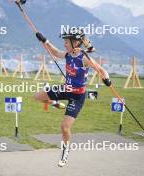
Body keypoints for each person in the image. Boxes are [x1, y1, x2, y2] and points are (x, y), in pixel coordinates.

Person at [33, 30, 111, 167]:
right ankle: (56, 103)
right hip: (65, 89)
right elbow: (56, 53)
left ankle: (65, 150)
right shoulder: (68, 54)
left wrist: (107, 79)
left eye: (66, 42)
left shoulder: (84, 58)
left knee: (64, 127)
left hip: (77, 96)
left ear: (75, 43)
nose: (64, 44)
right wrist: (44, 40)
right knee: (37, 97)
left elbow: (101, 70)